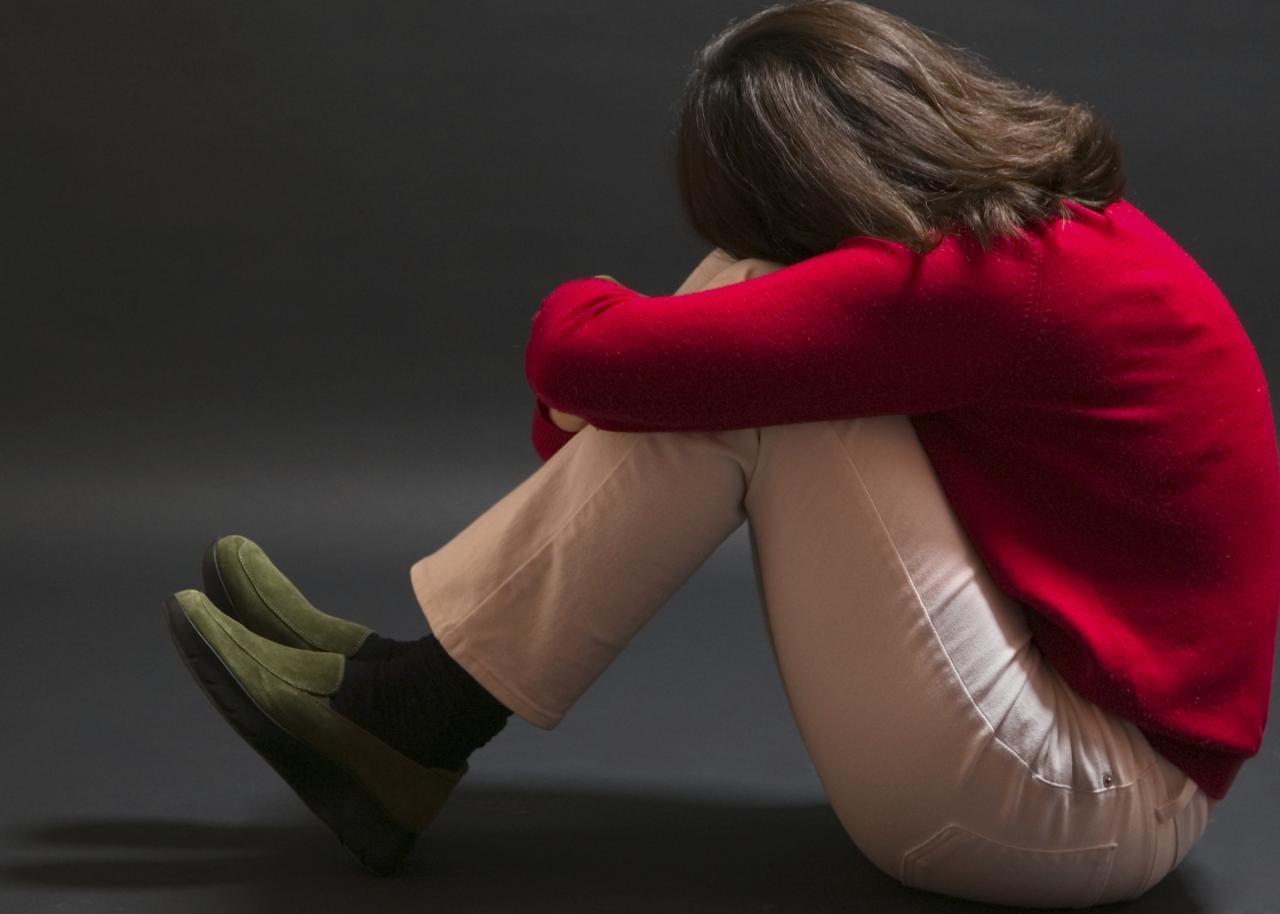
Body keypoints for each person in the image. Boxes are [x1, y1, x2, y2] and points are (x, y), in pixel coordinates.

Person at [164, 0, 1280, 906]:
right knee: (745, 334)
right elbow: (617, 391)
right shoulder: (1041, 242)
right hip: (1082, 776)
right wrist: (619, 398)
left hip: (1073, 814)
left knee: (756, 350)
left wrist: (597, 340)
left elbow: (581, 354)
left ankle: (414, 716)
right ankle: (406, 697)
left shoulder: (991, 284)